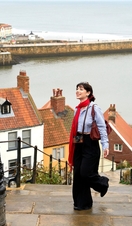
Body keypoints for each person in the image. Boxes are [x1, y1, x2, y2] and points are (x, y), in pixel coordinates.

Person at [68, 82, 109, 211]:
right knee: (78, 174)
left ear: (88, 93)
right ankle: (82, 203)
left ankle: (103, 183)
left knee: (86, 173)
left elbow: (102, 128)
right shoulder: (77, 108)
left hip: (90, 143)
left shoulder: (94, 108)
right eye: (77, 89)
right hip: (78, 142)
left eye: (81, 89)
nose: (77, 91)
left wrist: (105, 145)